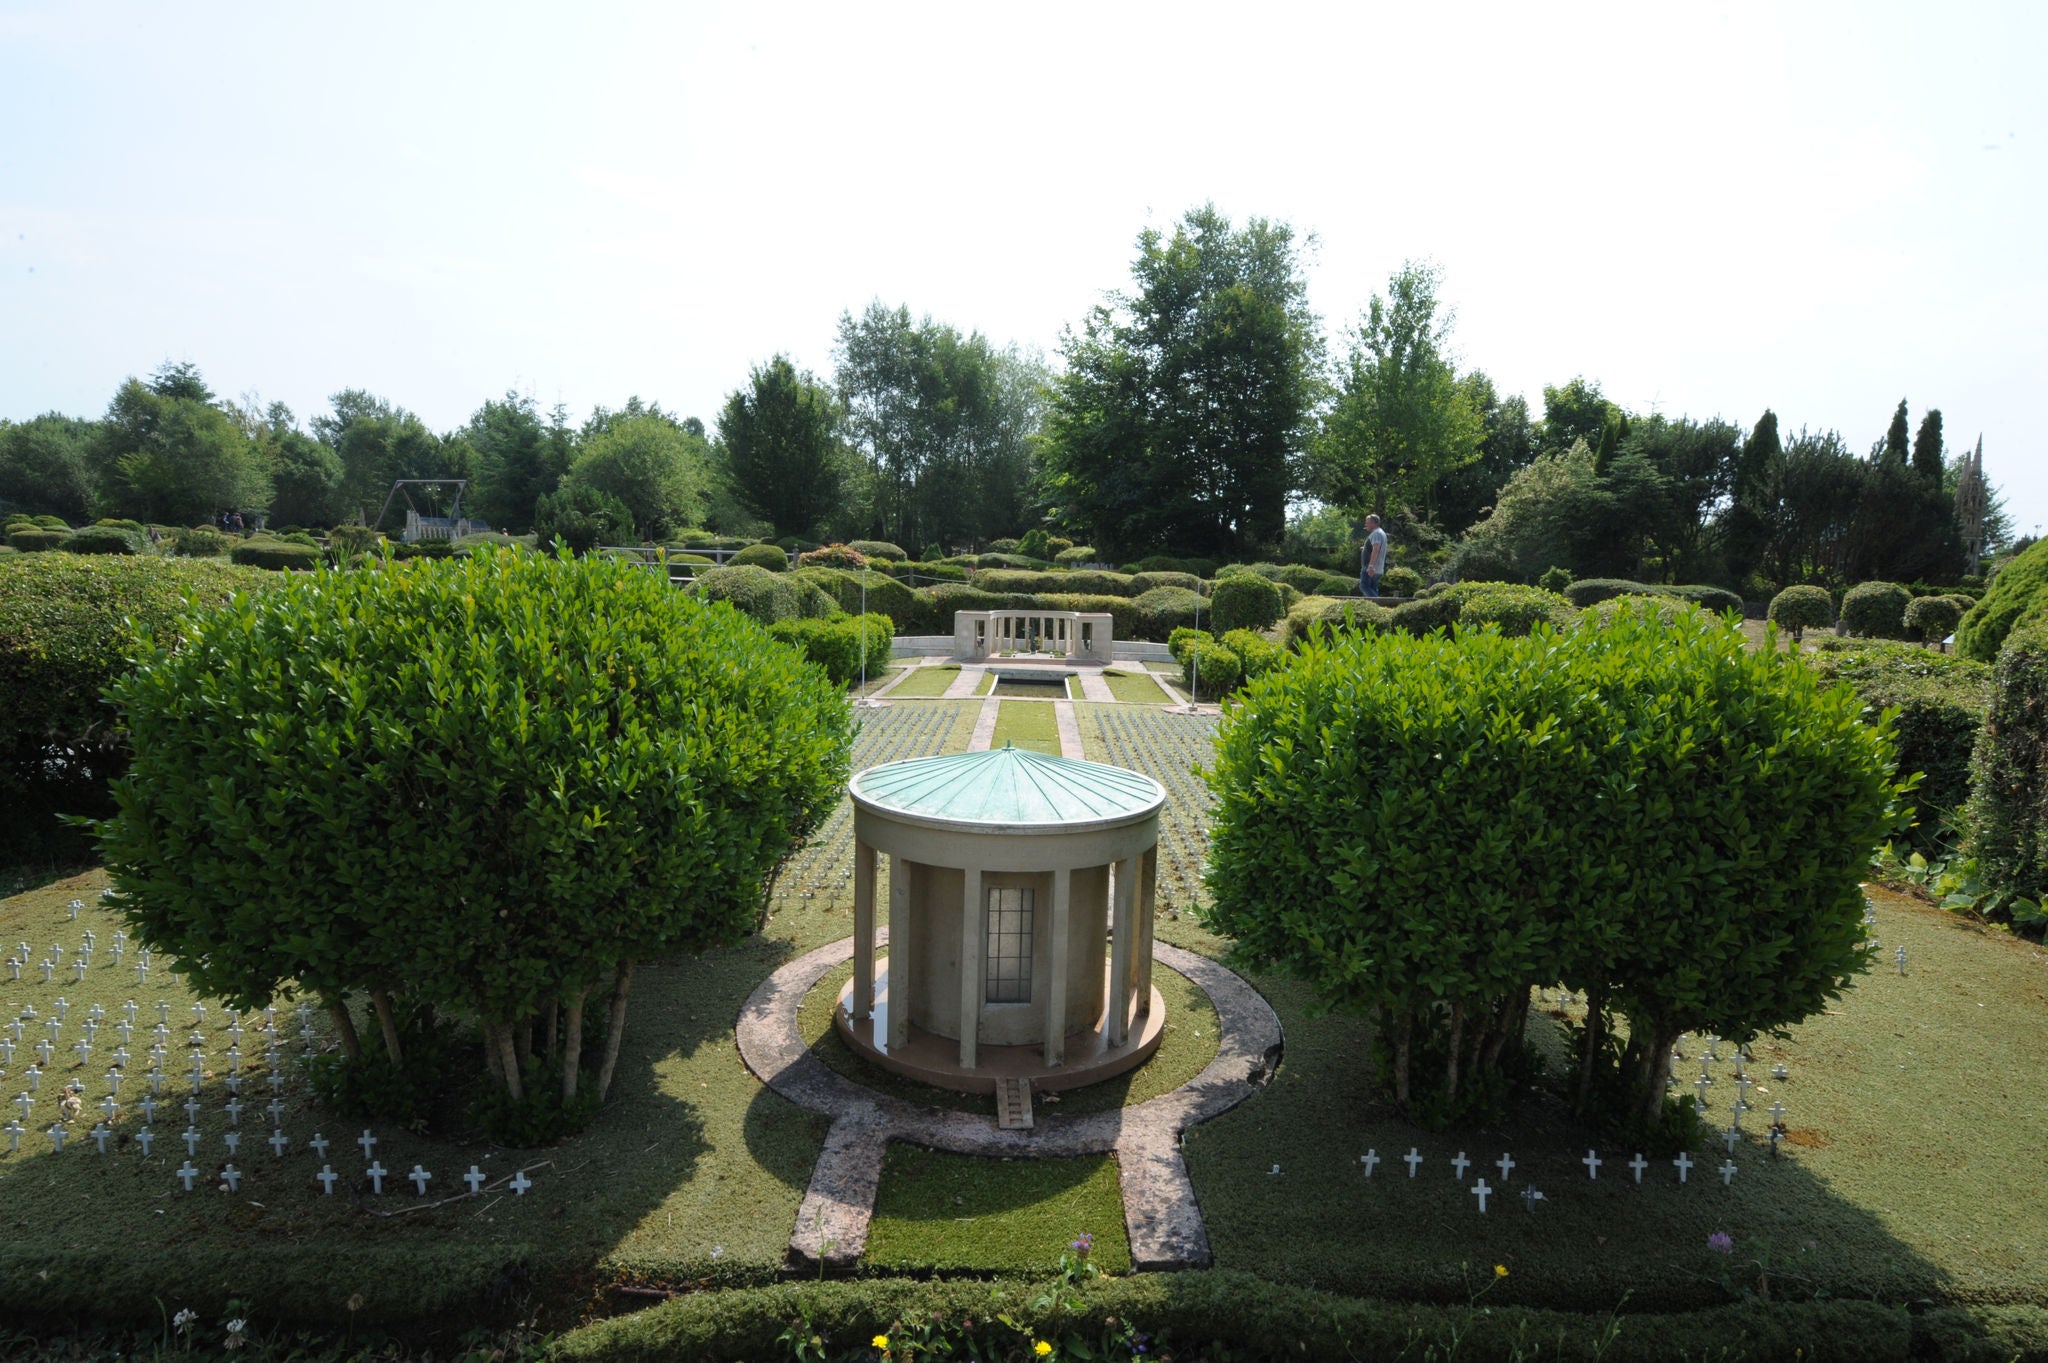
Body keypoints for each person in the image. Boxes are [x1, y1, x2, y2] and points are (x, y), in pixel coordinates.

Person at [1359, 514, 1388, 597]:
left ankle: (1378, 603)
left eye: (1367, 522)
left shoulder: (1376, 533)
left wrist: (1371, 566)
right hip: (1377, 567)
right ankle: (1376, 606)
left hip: (1371, 567)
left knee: (1364, 586)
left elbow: (1376, 549)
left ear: (1373, 523)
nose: (1365, 525)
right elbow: (1375, 547)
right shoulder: (1380, 533)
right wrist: (1365, 548)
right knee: (1373, 588)